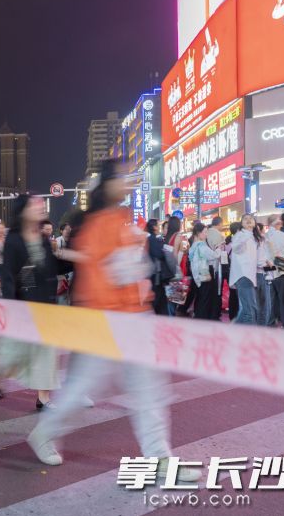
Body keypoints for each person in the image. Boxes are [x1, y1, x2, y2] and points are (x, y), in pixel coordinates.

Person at [26, 160, 199, 484]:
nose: (129, 181)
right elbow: (106, 275)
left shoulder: (122, 221)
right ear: (108, 185)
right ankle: (43, 433)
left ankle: (160, 459)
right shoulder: (97, 225)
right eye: (122, 177)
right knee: (81, 391)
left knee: (150, 392)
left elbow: (132, 270)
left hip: (134, 319)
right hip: (105, 322)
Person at [0, 195, 62, 411]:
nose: (40, 207)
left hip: (45, 305)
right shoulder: (13, 240)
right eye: (34, 205)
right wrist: (10, 307)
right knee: (13, 354)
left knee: (46, 351)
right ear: (23, 212)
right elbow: (8, 276)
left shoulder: (42, 238)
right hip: (22, 306)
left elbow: (52, 268)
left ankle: (44, 398)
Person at [229, 214, 262, 325]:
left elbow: (257, 259)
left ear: (255, 222)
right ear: (241, 223)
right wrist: (247, 233)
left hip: (250, 275)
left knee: (248, 309)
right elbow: (236, 248)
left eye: (250, 219)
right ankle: (250, 337)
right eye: (245, 219)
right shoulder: (241, 234)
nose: (248, 220)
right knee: (250, 311)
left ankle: (233, 330)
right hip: (243, 275)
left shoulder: (254, 237)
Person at [189, 223, 219, 320]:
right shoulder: (202, 246)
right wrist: (219, 248)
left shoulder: (193, 246)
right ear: (198, 233)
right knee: (204, 300)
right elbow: (214, 255)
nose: (206, 235)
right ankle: (202, 320)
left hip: (196, 276)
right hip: (204, 275)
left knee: (199, 298)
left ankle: (198, 317)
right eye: (205, 232)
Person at [146, 219, 174, 316]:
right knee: (158, 302)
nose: (159, 227)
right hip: (156, 276)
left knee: (160, 302)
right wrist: (165, 252)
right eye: (158, 225)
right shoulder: (153, 240)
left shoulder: (153, 239)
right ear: (154, 227)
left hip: (156, 276)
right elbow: (158, 254)